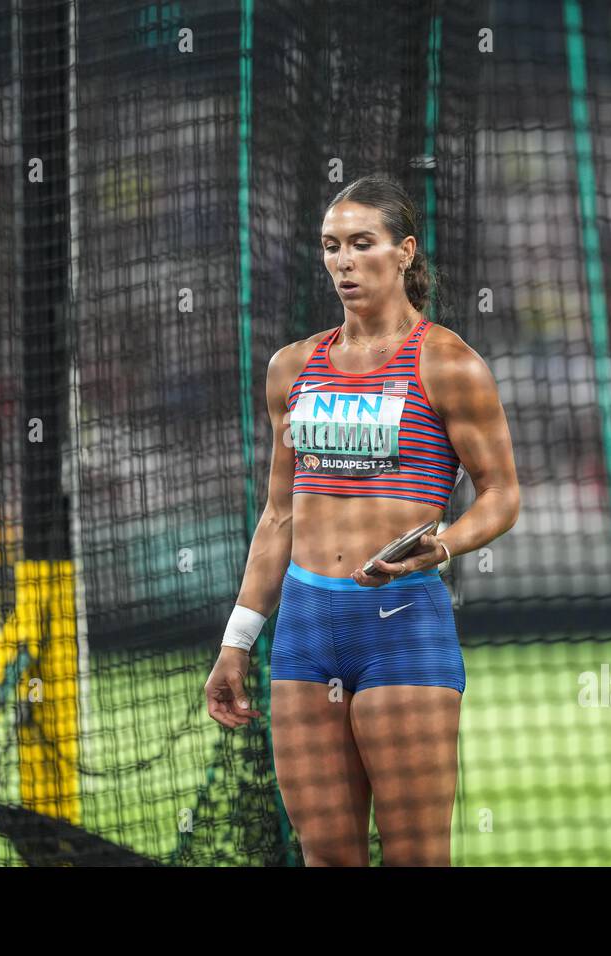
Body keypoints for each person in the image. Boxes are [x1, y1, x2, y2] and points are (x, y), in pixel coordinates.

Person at [204, 176, 520, 866]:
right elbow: (279, 515)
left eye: (361, 244)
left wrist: (442, 545)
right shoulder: (293, 368)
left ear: (404, 252)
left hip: (402, 628)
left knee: (415, 858)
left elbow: (501, 496)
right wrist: (237, 640)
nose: (343, 261)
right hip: (305, 631)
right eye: (331, 247)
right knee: (327, 859)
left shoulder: (448, 364)